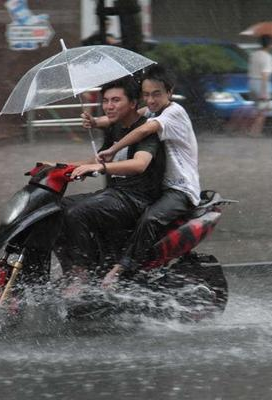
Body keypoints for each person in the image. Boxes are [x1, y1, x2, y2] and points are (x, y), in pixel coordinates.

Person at [89, 64, 202, 288]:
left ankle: (122, 267)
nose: (150, 100)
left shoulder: (174, 112)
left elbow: (142, 130)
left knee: (149, 218)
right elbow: (125, 117)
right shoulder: (152, 110)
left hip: (181, 189)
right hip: (161, 186)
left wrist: (113, 149)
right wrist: (95, 122)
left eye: (156, 94)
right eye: (146, 95)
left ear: (169, 92)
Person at [58, 76, 165, 282]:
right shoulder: (114, 127)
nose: (108, 106)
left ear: (133, 103)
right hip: (114, 194)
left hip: (137, 199)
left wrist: (101, 167)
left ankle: (81, 276)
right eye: (105, 101)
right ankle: (72, 270)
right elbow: (95, 160)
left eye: (115, 100)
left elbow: (139, 164)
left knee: (76, 212)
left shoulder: (147, 129)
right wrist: (58, 167)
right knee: (56, 209)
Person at [247, 35, 272, 137]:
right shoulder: (268, 57)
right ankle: (255, 132)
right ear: (270, 45)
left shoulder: (253, 55)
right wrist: (264, 92)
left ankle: (251, 130)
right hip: (262, 84)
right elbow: (265, 75)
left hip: (251, 83)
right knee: (262, 111)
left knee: (256, 109)